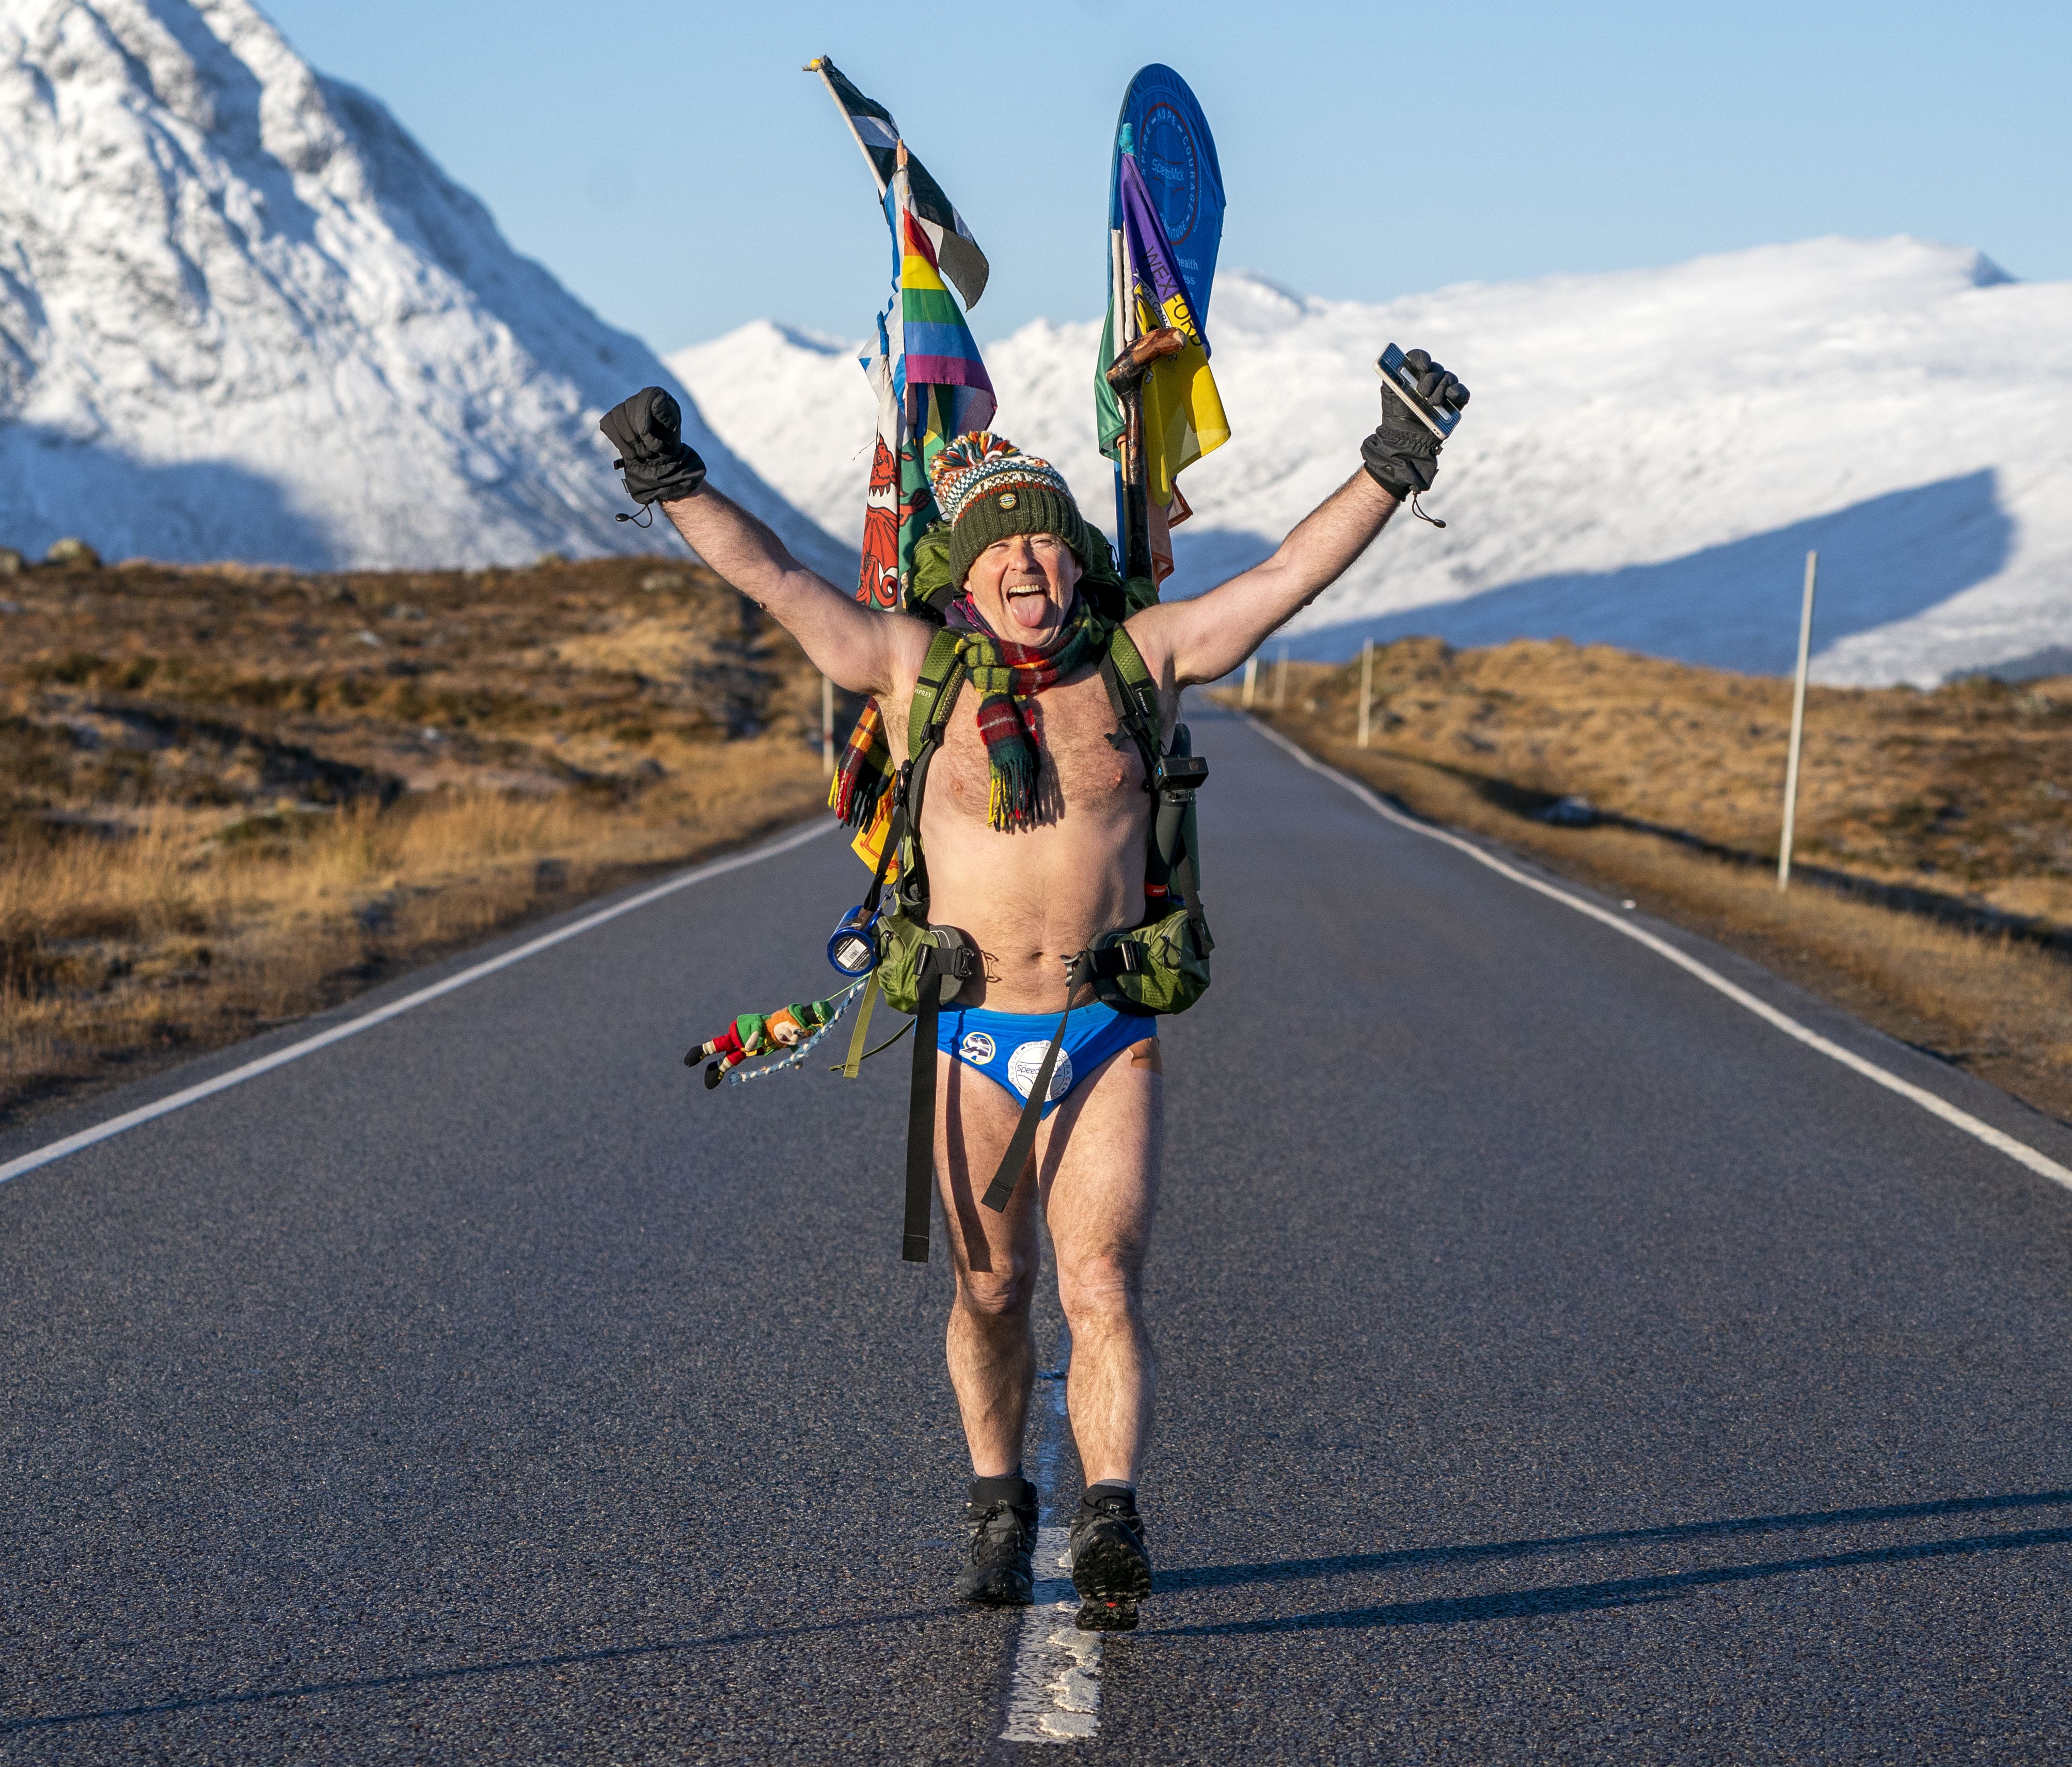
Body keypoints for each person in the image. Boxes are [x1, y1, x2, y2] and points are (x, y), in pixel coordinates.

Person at [596, 350, 1468, 1629]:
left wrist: (1391, 466)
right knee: (989, 1291)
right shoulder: (910, 671)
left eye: (1047, 550)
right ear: (963, 574)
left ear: (1073, 561)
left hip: (1104, 1033)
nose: (1026, 569)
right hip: (966, 1040)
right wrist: (669, 481)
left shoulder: (1143, 660)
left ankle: (1110, 1515)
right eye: (1000, 554)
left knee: (1100, 1284)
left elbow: (1284, 577)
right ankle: (999, 1503)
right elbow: (775, 576)